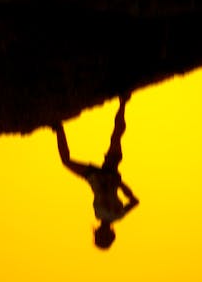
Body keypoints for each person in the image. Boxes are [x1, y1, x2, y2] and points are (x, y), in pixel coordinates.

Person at [51, 94, 139, 249]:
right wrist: (119, 185)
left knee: (116, 137)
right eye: (98, 235)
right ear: (103, 234)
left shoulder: (118, 216)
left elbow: (134, 201)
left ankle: (123, 103)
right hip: (98, 176)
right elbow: (113, 195)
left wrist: (121, 186)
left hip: (103, 176)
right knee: (66, 160)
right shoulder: (106, 215)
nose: (96, 232)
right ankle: (58, 126)